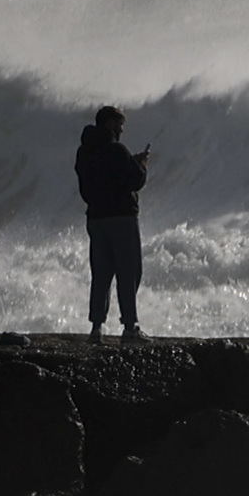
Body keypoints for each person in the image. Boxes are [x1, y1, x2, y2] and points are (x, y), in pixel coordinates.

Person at [76, 106, 151, 339]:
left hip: (96, 219)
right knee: (128, 274)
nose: (121, 130)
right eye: (119, 125)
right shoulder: (116, 150)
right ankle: (130, 328)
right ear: (109, 124)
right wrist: (139, 164)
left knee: (101, 275)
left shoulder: (84, 152)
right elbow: (135, 180)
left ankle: (96, 328)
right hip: (122, 218)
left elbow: (92, 184)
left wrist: (129, 161)